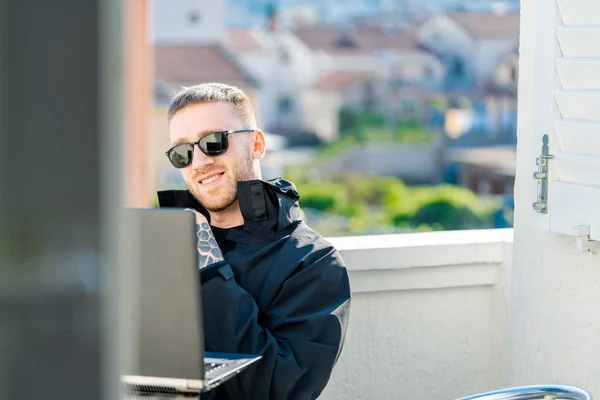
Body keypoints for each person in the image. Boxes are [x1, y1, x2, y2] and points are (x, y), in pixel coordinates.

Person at [156, 82, 351, 400]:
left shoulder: (313, 262)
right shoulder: (162, 248)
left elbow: (277, 390)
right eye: (182, 153)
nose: (200, 161)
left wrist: (206, 263)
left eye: (214, 142)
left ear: (257, 144)